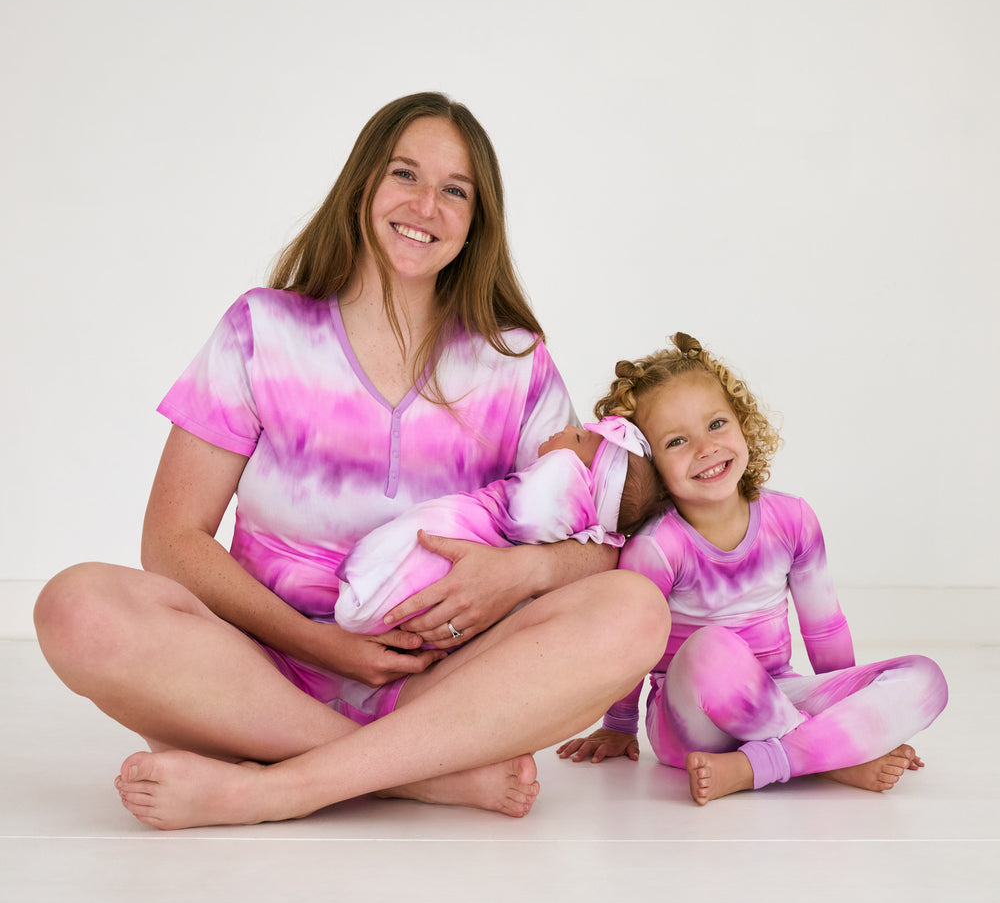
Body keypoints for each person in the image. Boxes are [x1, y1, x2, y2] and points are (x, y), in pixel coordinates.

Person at [33, 92, 669, 829]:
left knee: (633, 612)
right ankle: (417, 776)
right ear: (364, 183)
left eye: (455, 191)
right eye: (405, 174)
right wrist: (317, 644)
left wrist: (518, 574)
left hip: (438, 680)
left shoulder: (515, 359)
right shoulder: (261, 328)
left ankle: (273, 785)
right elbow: (171, 541)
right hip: (253, 671)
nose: (425, 206)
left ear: (477, 221)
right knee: (76, 607)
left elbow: (599, 545)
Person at [558, 332, 947, 805]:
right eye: (677, 441)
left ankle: (762, 763)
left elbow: (825, 629)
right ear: (649, 465)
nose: (706, 448)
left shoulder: (793, 518)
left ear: (742, 423)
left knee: (925, 678)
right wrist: (619, 725)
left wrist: (846, 701)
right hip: (690, 720)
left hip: (779, 695)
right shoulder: (658, 547)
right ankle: (827, 758)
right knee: (711, 647)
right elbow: (627, 644)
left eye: (716, 424)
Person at [336, 415, 660, 636]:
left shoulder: (562, 476)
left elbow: (527, 517)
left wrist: (560, 468)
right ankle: (367, 603)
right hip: (475, 539)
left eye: (577, 437)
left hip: (469, 526)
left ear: (583, 479)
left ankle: (364, 599)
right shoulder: (587, 529)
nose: (566, 427)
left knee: (423, 542)